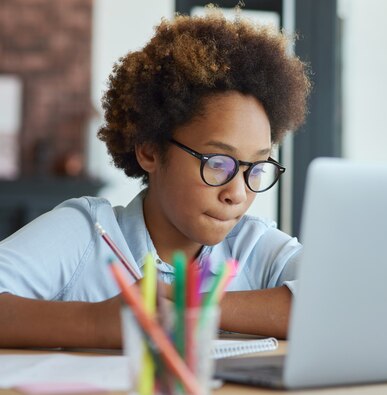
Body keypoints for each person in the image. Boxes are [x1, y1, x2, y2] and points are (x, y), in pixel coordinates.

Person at [0, 8, 311, 349]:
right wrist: (95, 323)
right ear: (149, 150)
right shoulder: (86, 232)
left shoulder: (252, 245)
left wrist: (185, 303)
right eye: (217, 163)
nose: (236, 193)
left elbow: (342, 299)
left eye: (256, 167)